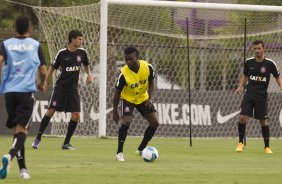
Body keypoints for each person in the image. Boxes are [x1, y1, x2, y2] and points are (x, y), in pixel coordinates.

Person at [0, 16, 47, 180]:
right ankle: (9, 156)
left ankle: (23, 170)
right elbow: (42, 70)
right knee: (23, 132)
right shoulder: (35, 45)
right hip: (26, 92)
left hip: (9, 93)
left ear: (14, 29)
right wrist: (42, 84)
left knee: (17, 131)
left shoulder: (6, 44)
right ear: (29, 29)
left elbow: (0, 61)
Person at [32, 30, 93, 150]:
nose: (81, 41)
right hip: (60, 88)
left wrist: (89, 75)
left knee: (76, 115)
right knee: (51, 111)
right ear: (72, 39)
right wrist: (45, 81)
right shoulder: (62, 53)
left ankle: (66, 143)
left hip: (73, 90)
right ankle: (38, 138)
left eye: (81, 39)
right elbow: (52, 68)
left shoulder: (82, 52)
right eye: (79, 39)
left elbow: (86, 65)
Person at [234, 40, 282, 154]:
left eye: (259, 48)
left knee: (263, 122)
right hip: (249, 94)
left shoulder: (270, 64)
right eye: (255, 48)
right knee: (242, 118)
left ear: (263, 49)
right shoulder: (249, 62)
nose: (257, 50)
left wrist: (281, 86)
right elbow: (245, 75)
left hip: (262, 97)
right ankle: (241, 143)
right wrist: (241, 86)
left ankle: (267, 147)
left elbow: (277, 76)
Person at [113, 46, 159, 161]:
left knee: (155, 123)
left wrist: (150, 98)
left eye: (131, 59)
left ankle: (141, 149)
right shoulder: (123, 74)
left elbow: (152, 82)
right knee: (127, 121)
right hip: (128, 99)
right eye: (126, 59)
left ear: (137, 57)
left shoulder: (148, 67)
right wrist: (115, 111)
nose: (128, 62)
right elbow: (117, 93)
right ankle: (119, 153)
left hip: (143, 98)